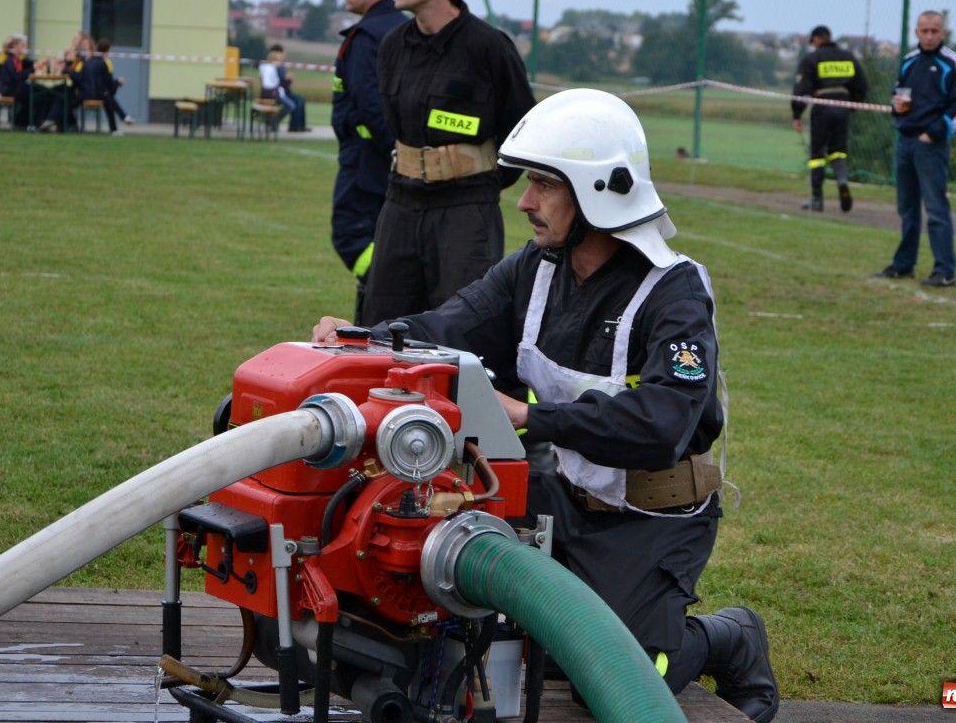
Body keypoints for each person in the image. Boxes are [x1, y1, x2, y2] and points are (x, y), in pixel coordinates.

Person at [311, 88, 780, 723]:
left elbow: (664, 424)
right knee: (450, 575)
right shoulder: (536, 267)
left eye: (542, 185)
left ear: (597, 193)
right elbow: (450, 327)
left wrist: (533, 418)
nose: (525, 201)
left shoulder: (675, 291)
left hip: (649, 518)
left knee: (613, 676)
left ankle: (729, 636)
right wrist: (362, 340)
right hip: (562, 497)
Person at [359, 0, 537, 326]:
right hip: (402, 203)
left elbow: (522, 127)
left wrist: (478, 176)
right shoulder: (394, 46)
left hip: (465, 207)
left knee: (463, 324)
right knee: (383, 320)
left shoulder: (488, 46)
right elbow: (394, 124)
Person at [331, 0, 408, 324]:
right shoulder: (405, 29)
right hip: (392, 158)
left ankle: (382, 290)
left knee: (352, 233)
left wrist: (391, 150)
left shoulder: (366, 36)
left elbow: (369, 105)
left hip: (365, 158)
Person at [874, 10, 956, 287]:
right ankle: (904, 264)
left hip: (931, 145)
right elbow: (899, 93)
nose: (929, 36)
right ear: (916, 32)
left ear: (943, 33)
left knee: (936, 208)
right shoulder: (908, 61)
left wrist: (936, 132)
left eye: (934, 31)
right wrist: (897, 107)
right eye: (924, 31)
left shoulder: (953, 62)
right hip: (905, 141)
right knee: (907, 207)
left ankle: (945, 269)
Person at [791, 25, 867, 213]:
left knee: (816, 155)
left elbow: (801, 89)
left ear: (817, 39)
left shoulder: (812, 58)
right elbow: (862, 84)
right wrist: (853, 105)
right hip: (843, 106)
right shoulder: (848, 56)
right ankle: (842, 181)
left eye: (813, 42)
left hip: (822, 106)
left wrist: (797, 114)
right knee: (838, 151)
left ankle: (817, 200)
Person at [259, 44, 308, 132]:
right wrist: (288, 80)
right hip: (277, 93)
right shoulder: (273, 68)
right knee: (296, 102)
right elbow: (278, 84)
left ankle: (299, 126)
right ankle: (293, 126)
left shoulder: (272, 67)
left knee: (300, 100)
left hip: (279, 92)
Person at [80, 38, 124, 136]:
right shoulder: (102, 63)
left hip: (84, 93)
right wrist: (117, 83)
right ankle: (115, 128)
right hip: (95, 93)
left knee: (109, 98)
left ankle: (123, 118)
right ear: (106, 51)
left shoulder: (88, 62)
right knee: (109, 99)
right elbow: (107, 82)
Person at [0, 34, 35, 128]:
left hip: (13, 87)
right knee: (32, 94)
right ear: (14, 46)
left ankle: (21, 122)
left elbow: (29, 65)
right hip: (8, 88)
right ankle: (20, 122)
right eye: (23, 46)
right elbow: (11, 76)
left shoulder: (18, 58)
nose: (25, 48)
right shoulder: (6, 57)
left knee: (33, 92)